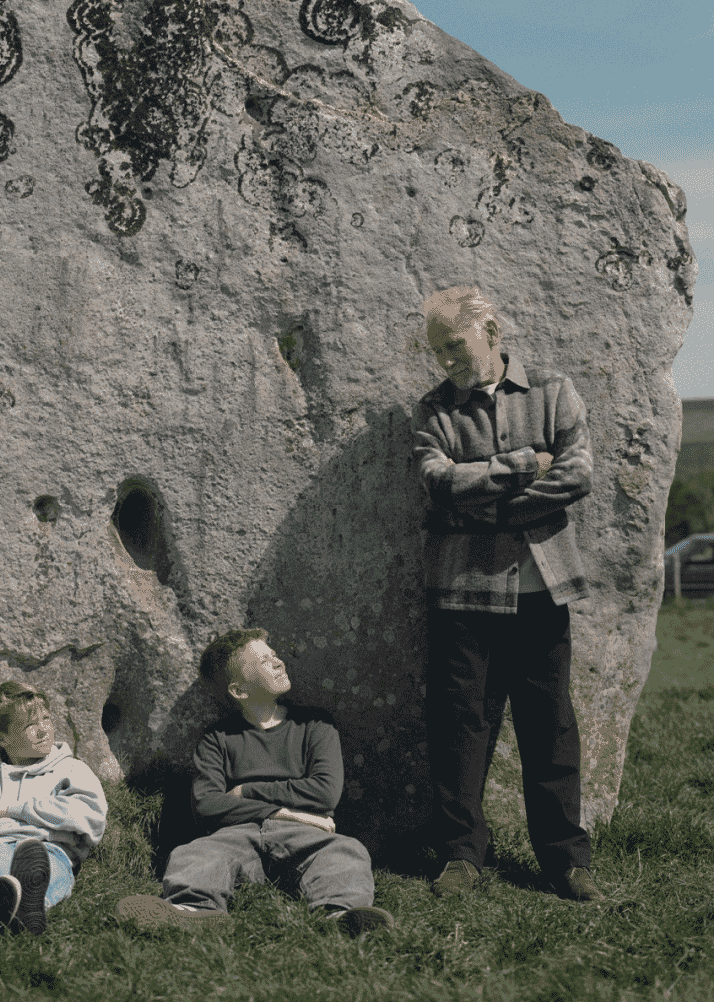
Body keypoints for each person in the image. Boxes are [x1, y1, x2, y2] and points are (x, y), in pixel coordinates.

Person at [414, 285, 603, 902]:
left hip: (540, 591)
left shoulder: (553, 390)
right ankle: (461, 858)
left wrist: (483, 504)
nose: (446, 360)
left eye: (454, 345)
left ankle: (566, 861)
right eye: (437, 350)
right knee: (460, 729)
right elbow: (438, 483)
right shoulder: (434, 409)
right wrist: (524, 466)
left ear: (491, 331)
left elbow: (578, 473)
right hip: (461, 594)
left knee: (550, 728)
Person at [115, 628, 395, 935]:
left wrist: (246, 791)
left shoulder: (315, 725)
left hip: (305, 835)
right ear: (239, 690)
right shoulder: (217, 739)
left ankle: (340, 916)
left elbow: (325, 792)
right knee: (195, 853)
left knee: (344, 852)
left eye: (274, 654)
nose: (278, 662)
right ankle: (194, 911)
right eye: (263, 661)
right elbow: (206, 804)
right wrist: (282, 812)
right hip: (240, 835)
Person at [0, 682, 108, 938]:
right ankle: (21, 913)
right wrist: (43, 828)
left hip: (48, 852)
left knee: (47, 866)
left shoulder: (72, 770)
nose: (43, 731)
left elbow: (89, 817)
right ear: (3, 737)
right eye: (30, 726)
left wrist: (13, 810)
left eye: (46, 719)